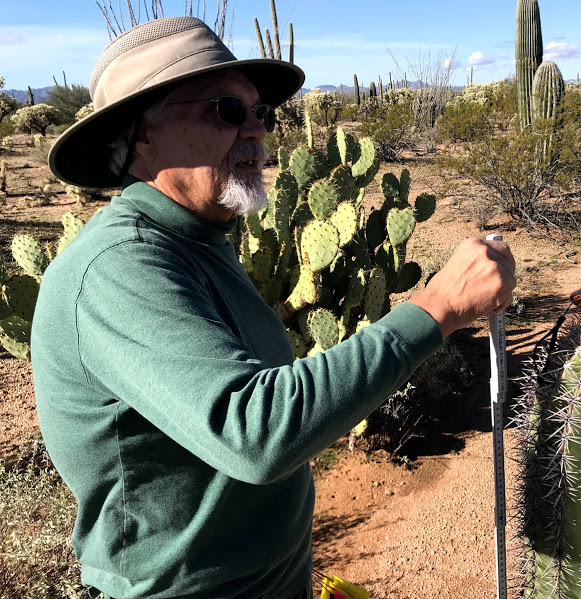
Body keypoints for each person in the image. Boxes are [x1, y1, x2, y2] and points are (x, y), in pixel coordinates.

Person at [32, 16, 516, 599]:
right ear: (139, 136)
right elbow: (257, 433)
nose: (257, 132)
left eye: (260, 113)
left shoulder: (197, 238)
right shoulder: (118, 267)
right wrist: (437, 306)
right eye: (226, 111)